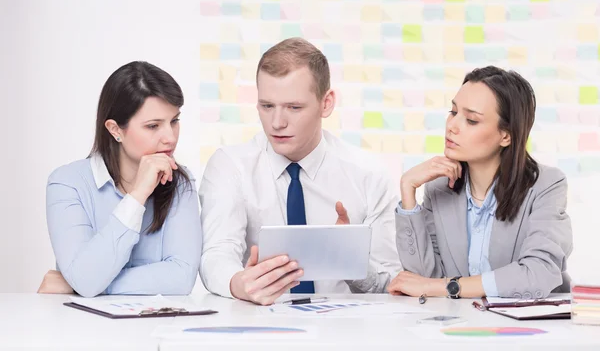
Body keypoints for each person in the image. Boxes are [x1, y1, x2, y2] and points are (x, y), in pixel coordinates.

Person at [199, 38, 402, 305]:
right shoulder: (231, 166)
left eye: (294, 108)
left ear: (326, 103)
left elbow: (391, 283)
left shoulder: (369, 175)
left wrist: (350, 257)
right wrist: (239, 283)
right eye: (267, 106)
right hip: (261, 329)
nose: (277, 123)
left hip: (343, 332)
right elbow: (216, 254)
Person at [390, 66, 572, 299]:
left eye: (472, 120)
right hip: (458, 326)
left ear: (506, 135)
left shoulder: (546, 185)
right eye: (453, 111)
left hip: (523, 331)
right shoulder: (439, 188)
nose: (452, 126)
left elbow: (538, 272)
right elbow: (420, 281)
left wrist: (448, 287)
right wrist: (408, 190)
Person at [38, 61, 201, 297]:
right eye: (153, 126)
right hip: (83, 329)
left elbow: (182, 278)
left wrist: (79, 285)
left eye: (174, 121)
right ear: (115, 130)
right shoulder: (67, 183)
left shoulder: (180, 183)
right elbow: (85, 279)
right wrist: (136, 197)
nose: (170, 137)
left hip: (155, 326)